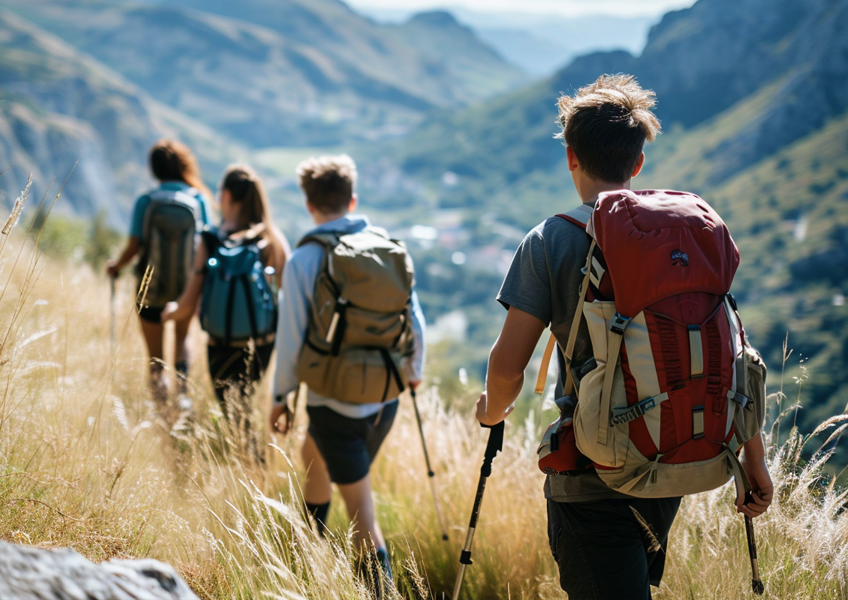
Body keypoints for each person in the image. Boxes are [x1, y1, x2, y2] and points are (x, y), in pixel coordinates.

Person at [475, 74, 774, 599]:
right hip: (674, 455)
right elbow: (729, 352)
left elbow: (506, 368)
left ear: (570, 156)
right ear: (637, 163)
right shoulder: (684, 236)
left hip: (592, 473)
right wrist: (754, 462)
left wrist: (491, 411)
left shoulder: (550, 241)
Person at [269, 155, 425, 582]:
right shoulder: (387, 247)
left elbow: (289, 338)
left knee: (361, 516)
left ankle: (380, 590)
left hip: (333, 405)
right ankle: (308, 551)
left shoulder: (304, 260)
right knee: (311, 454)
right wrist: (414, 369)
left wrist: (280, 398)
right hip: (385, 399)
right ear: (352, 200)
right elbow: (415, 318)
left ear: (309, 204)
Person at [162, 165, 290, 427]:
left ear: (228, 196)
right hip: (262, 343)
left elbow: (188, 303)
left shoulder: (210, 240)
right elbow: (287, 293)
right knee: (245, 404)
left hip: (221, 345)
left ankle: (249, 461)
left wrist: (170, 311)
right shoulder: (271, 239)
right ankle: (253, 460)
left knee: (232, 414)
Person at [107, 139, 213, 404]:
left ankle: (161, 411)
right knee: (182, 337)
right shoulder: (198, 199)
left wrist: (116, 267)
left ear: (154, 169)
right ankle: (183, 398)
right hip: (187, 287)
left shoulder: (146, 201)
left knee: (155, 356)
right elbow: (208, 244)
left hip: (149, 288)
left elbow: (134, 245)